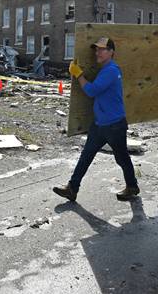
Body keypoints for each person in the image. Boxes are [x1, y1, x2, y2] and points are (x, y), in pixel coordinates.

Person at [52, 37, 139, 202]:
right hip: (100, 124)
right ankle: (72, 188)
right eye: (96, 49)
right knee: (86, 155)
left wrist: (78, 74)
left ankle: (132, 186)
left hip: (114, 124)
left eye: (102, 49)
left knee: (121, 158)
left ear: (111, 52)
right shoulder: (106, 70)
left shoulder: (112, 70)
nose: (98, 52)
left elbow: (92, 91)